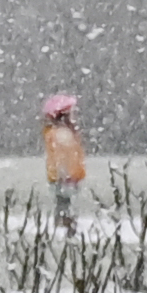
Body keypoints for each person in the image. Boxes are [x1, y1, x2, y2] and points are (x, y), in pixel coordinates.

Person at [41, 93, 86, 231]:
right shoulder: (61, 134)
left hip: (65, 176)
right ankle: (66, 227)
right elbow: (62, 157)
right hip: (65, 176)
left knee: (63, 203)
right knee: (65, 204)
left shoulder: (60, 133)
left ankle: (63, 225)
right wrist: (65, 174)